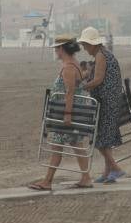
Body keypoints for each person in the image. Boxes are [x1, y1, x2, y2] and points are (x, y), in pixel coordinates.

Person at [29, 37, 93, 190]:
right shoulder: (72, 64)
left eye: (57, 48)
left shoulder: (69, 67)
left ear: (62, 49)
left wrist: (67, 114)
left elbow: (70, 91)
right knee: (76, 144)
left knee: (57, 146)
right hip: (71, 112)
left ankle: (47, 181)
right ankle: (86, 178)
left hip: (66, 113)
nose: (55, 51)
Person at [78, 27, 125, 183]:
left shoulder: (100, 56)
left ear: (92, 44)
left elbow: (98, 80)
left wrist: (81, 88)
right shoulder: (103, 54)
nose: (84, 48)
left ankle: (116, 169)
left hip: (107, 103)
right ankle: (107, 173)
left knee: (99, 140)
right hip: (110, 101)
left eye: (85, 44)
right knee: (105, 140)